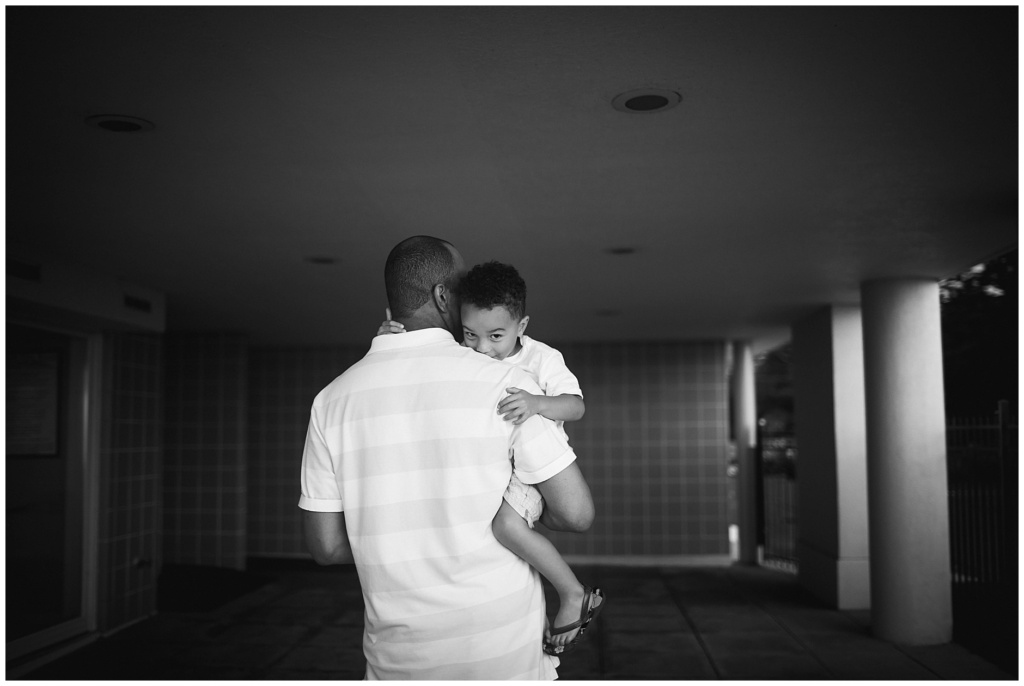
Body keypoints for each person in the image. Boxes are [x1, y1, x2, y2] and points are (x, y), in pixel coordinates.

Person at [299, 236, 596, 680]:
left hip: (396, 662)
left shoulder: (330, 400)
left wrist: (401, 542)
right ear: (443, 295)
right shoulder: (505, 382)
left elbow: (326, 547)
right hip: (502, 653)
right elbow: (575, 513)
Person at [377, 260, 604, 656]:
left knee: (506, 529)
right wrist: (388, 340)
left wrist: (536, 402)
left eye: (496, 336)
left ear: (523, 326)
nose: (483, 348)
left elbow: (576, 407)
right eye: (470, 335)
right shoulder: (469, 352)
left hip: (529, 473)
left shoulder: (541, 358)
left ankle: (571, 592)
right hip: (500, 465)